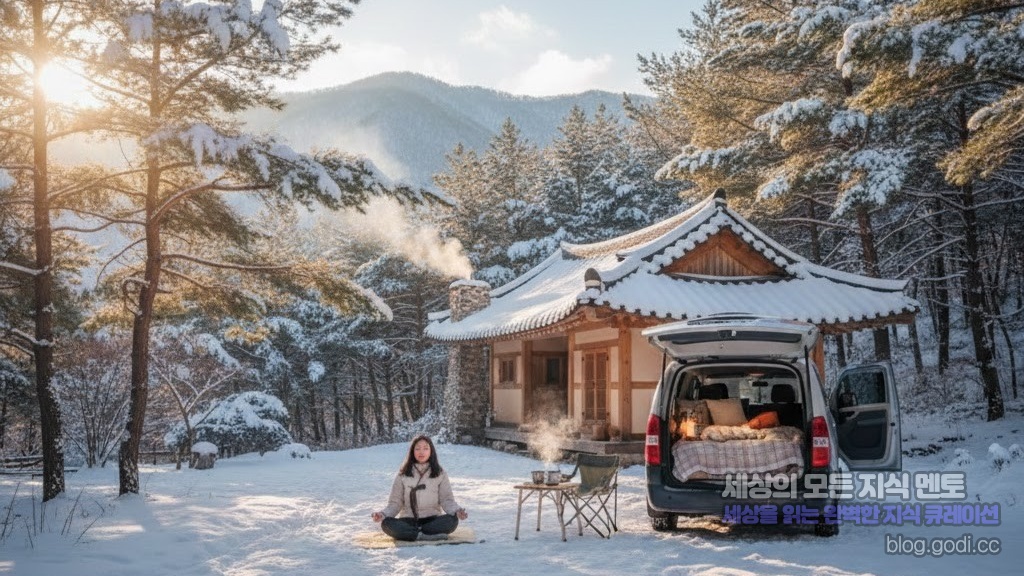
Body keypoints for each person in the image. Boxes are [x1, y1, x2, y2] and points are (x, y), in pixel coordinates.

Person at [371, 435, 469, 541]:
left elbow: (446, 499)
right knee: (387, 523)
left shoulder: (440, 473)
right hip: (408, 520)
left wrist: (457, 511)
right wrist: (383, 514)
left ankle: (414, 534)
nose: (421, 452)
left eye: (425, 448)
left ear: (431, 451)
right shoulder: (403, 474)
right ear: (412, 451)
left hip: (432, 520)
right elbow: (395, 503)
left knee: (452, 520)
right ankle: (425, 535)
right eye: (417, 448)